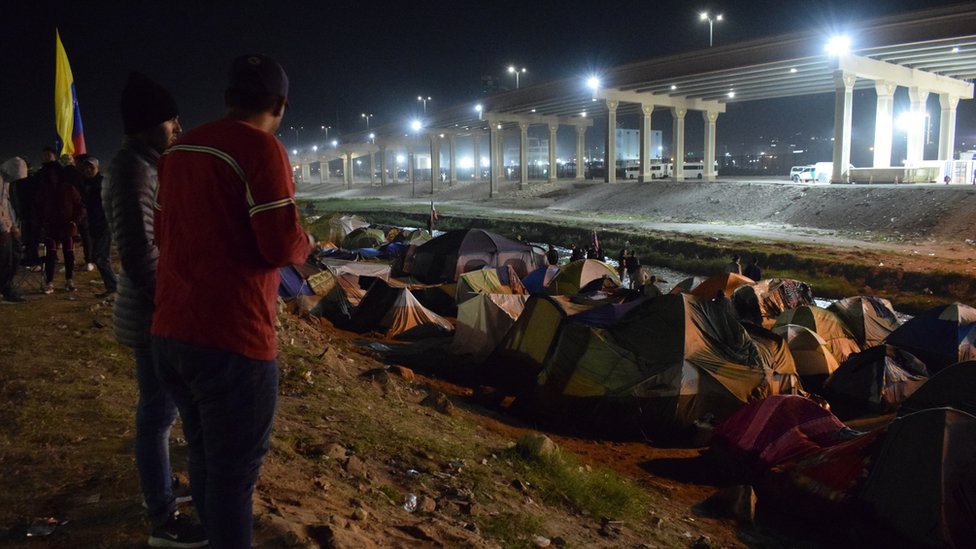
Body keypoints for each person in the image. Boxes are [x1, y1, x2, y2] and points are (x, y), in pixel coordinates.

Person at [152, 54, 312, 547]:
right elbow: (281, 247)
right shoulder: (262, 149)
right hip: (233, 338)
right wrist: (308, 244)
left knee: (203, 455)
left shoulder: (179, 150)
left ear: (227, 98)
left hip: (171, 333)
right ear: (281, 104)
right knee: (234, 477)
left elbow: (161, 232)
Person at [103, 72, 203, 547]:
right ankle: (163, 519)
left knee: (159, 414)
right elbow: (141, 256)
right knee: (157, 416)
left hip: (154, 313)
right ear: (147, 124)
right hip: (152, 317)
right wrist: (180, 304)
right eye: (171, 120)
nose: (178, 128)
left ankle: (160, 496)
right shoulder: (131, 171)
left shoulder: (144, 165)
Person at [36, 146, 84, 294]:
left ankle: (69, 280)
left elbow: (80, 206)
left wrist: (75, 221)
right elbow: (38, 207)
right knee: (50, 255)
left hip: (67, 227)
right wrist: (42, 222)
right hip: (51, 227)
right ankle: (49, 282)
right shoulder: (45, 189)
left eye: (56, 174)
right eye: (51, 175)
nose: (54, 177)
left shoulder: (69, 188)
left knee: (69, 254)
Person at [77, 155, 117, 297]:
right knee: (99, 257)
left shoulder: (102, 182)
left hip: (104, 225)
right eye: (86, 167)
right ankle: (113, 285)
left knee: (101, 257)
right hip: (94, 224)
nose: (88, 170)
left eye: (91, 167)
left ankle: (113, 286)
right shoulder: (86, 183)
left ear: (97, 168)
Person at [0, 157, 27, 303]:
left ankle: (8, 286)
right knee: (5, 259)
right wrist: (4, 229)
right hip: (2, 229)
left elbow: (7, 205)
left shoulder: (6, 181)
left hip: (7, 226)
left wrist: (13, 226)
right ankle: (6, 289)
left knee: (15, 255)